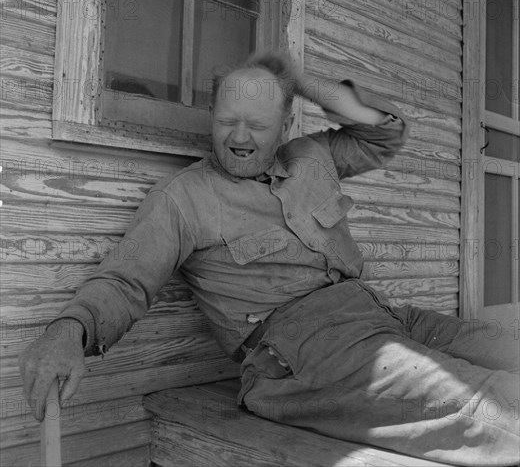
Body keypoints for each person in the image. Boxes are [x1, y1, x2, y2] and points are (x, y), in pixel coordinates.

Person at [19, 52, 519, 466]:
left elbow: (385, 133)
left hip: (383, 316)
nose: (240, 138)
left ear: (285, 124)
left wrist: (299, 78)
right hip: (303, 355)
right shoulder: (185, 197)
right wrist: (69, 330)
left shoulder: (312, 157)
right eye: (226, 121)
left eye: (258, 124)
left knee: (508, 349)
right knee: (489, 405)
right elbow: (125, 280)